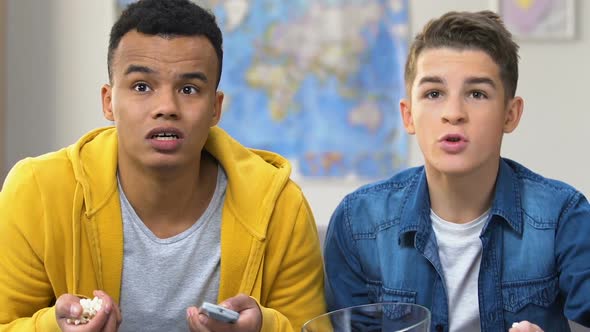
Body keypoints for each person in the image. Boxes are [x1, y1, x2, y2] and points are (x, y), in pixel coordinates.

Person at [0, 0, 326, 331]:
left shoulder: (280, 206)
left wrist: (263, 328)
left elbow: (312, 326)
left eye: (189, 89)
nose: (166, 107)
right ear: (109, 102)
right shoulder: (36, 192)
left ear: (215, 108)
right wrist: (52, 328)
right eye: (142, 86)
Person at [323, 10, 590, 332]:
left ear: (510, 114)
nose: (453, 113)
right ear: (408, 116)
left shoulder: (564, 214)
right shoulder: (358, 221)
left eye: (477, 94)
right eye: (433, 94)